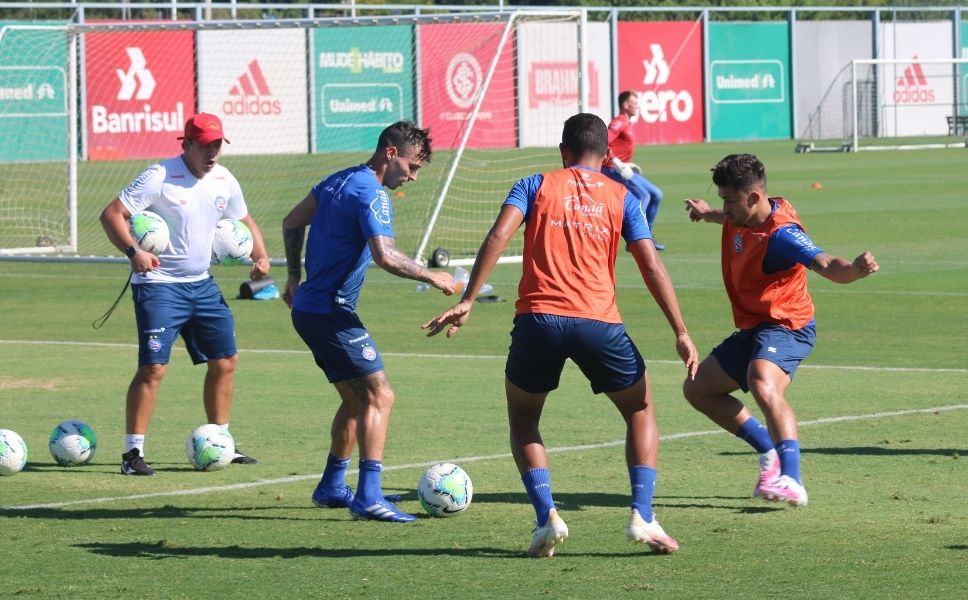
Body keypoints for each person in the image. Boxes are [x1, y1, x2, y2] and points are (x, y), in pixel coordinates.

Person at [423, 113, 699, 557]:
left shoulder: (533, 184)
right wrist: (681, 331)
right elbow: (651, 264)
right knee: (640, 408)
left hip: (538, 322)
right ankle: (642, 517)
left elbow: (498, 235)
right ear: (608, 156)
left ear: (562, 152)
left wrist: (469, 298)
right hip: (599, 324)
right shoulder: (622, 195)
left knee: (524, 418)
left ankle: (546, 518)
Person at [681, 154, 878, 507]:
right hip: (755, 326)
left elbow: (825, 262)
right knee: (698, 389)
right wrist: (706, 211)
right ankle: (768, 453)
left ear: (753, 198)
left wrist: (855, 271)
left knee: (762, 380)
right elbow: (723, 216)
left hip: (787, 326)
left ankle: (793, 478)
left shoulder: (781, 234)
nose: (725, 207)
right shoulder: (740, 214)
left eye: (729, 200)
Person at [282, 121, 455, 523]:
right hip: (331, 312)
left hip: (310, 308)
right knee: (381, 395)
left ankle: (330, 486)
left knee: (356, 399)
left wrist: (293, 275)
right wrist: (433, 276)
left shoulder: (338, 180)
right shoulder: (372, 193)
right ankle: (369, 496)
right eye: (412, 167)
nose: (412, 176)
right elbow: (386, 256)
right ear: (390, 154)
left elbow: (292, 221)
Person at [99, 112, 270, 476]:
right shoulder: (159, 175)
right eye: (206, 145)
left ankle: (221, 440)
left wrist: (260, 255)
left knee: (225, 362)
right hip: (160, 288)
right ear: (187, 144)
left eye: (218, 145)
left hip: (202, 285)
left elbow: (245, 220)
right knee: (153, 369)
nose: (213, 153)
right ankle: (132, 453)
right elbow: (112, 214)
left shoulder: (224, 178)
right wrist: (134, 253)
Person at [602, 91, 666, 251]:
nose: (637, 106)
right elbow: (603, 142)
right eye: (634, 103)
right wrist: (618, 163)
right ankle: (635, 239)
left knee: (656, 194)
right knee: (643, 195)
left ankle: (647, 236)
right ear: (625, 105)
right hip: (610, 169)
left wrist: (627, 164)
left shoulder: (627, 122)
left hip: (622, 168)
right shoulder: (618, 123)